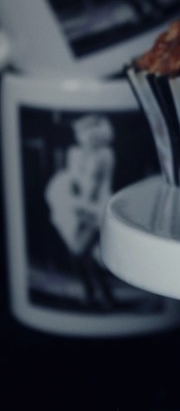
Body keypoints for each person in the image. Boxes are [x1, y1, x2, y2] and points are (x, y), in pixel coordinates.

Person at [44, 114, 117, 310]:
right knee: (80, 255)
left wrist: (82, 205)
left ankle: (97, 295)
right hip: (80, 208)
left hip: (95, 211)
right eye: (79, 133)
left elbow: (93, 187)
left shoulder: (103, 155)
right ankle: (100, 295)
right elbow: (74, 182)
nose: (81, 137)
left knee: (79, 253)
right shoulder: (78, 154)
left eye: (85, 133)